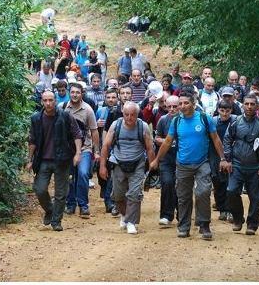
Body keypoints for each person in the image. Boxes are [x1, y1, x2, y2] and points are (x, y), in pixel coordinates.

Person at [149, 89, 232, 240]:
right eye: (180, 103)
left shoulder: (204, 118)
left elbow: (216, 139)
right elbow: (167, 142)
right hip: (182, 164)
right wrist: (156, 160)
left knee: (203, 192)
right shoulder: (177, 121)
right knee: (183, 196)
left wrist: (223, 158)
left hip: (202, 163)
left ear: (193, 103)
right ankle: (184, 226)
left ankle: (204, 224)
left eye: (186, 103)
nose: (182, 106)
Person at [27, 90, 83, 231]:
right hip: (43, 160)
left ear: (55, 100)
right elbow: (32, 140)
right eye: (45, 100)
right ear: (41, 102)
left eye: (51, 100)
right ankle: (50, 210)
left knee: (61, 192)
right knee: (39, 189)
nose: (48, 103)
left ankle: (56, 221)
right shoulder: (36, 118)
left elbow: (77, 134)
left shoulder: (65, 116)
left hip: (62, 159)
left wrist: (77, 153)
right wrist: (29, 159)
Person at [99, 102, 156, 235]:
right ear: (122, 114)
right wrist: (102, 166)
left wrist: (153, 165)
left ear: (137, 115)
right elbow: (106, 146)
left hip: (137, 163)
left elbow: (149, 147)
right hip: (118, 162)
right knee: (118, 195)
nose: (129, 118)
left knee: (134, 194)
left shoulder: (143, 127)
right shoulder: (116, 125)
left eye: (133, 115)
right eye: (126, 115)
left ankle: (131, 222)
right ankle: (124, 215)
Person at [223, 95, 259, 235]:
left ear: (257, 106)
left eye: (252, 104)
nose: (249, 106)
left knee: (255, 197)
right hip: (237, 165)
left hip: (255, 167)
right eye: (246, 103)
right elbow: (227, 140)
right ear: (242, 105)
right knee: (231, 191)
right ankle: (237, 218)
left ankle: (252, 224)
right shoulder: (236, 121)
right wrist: (227, 160)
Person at [62, 83, 100, 218]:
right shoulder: (63, 108)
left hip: (85, 148)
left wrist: (97, 150)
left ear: (81, 93)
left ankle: (83, 205)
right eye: (72, 92)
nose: (75, 95)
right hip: (68, 149)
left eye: (77, 92)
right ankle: (70, 203)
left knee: (83, 174)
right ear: (69, 93)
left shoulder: (88, 110)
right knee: (70, 177)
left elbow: (94, 131)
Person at [154, 96, 180, 226]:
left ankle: (182, 214)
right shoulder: (163, 120)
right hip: (166, 158)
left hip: (182, 159)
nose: (172, 109)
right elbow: (157, 138)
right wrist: (166, 142)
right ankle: (166, 215)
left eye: (175, 106)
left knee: (181, 186)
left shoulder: (184, 120)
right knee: (167, 183)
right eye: (169, 106)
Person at [96, 88, 120, 215]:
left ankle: (109, 201)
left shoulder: (121, 111)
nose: (111, 100)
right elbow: (92, 128)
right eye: (109, 97)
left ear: (117, 98)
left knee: (113, 175)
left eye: (113, 97)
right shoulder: (100, 110)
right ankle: (106, 193)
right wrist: (97, 123)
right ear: (105, 98)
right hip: (102, 145)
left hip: (116, 148)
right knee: (102, 174)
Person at [212, 101, 235, 223]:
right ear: (218, 110)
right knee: (218, 183)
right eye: (222, 110)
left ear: (231, 110)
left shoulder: (235, 121)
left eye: (227, 110)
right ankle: (222, 209)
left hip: (232, 156)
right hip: (216, 156)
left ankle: (230, 210)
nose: (225, 113)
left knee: (230, 184)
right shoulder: (213, 121)